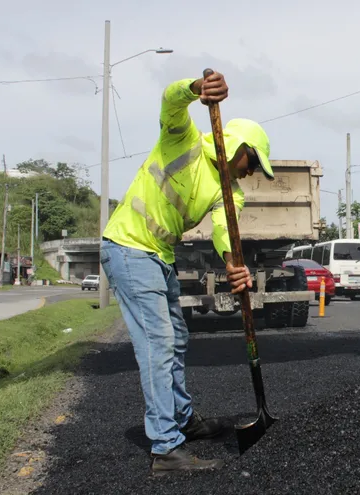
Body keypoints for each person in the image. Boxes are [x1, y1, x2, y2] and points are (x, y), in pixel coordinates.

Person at [100, 71, 276, 474]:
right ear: (239, 146)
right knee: (158, 343)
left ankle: (183, 421)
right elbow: (169, 100)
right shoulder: (185, 140)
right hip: (128, 246)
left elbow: (222, 234)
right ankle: (166, 448)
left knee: (177, 338)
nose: (252, 173)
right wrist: (196, 89)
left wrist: (235, 267)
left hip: (159, 255)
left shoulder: (230, 193)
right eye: (253, 163)